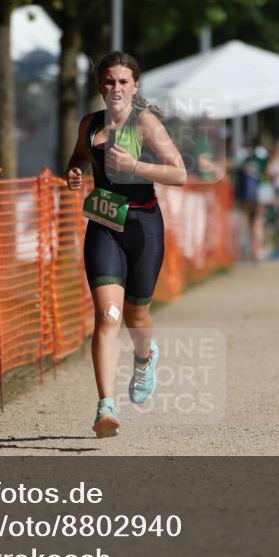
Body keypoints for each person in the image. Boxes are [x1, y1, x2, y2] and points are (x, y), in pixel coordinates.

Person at [64, 51, 187, 438]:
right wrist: (76, 170)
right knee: (107, 317)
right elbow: (81, 156)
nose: (115, 88)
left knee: (136, 318)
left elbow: (179, 173)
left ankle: (144, 356)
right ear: (100, 86)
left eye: (123, 81)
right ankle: (106, 406)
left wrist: (136, 167)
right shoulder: (89, 124)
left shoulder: (145, 123)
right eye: (109, 81)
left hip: (144, 226)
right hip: (104, 223)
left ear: (135, 85)